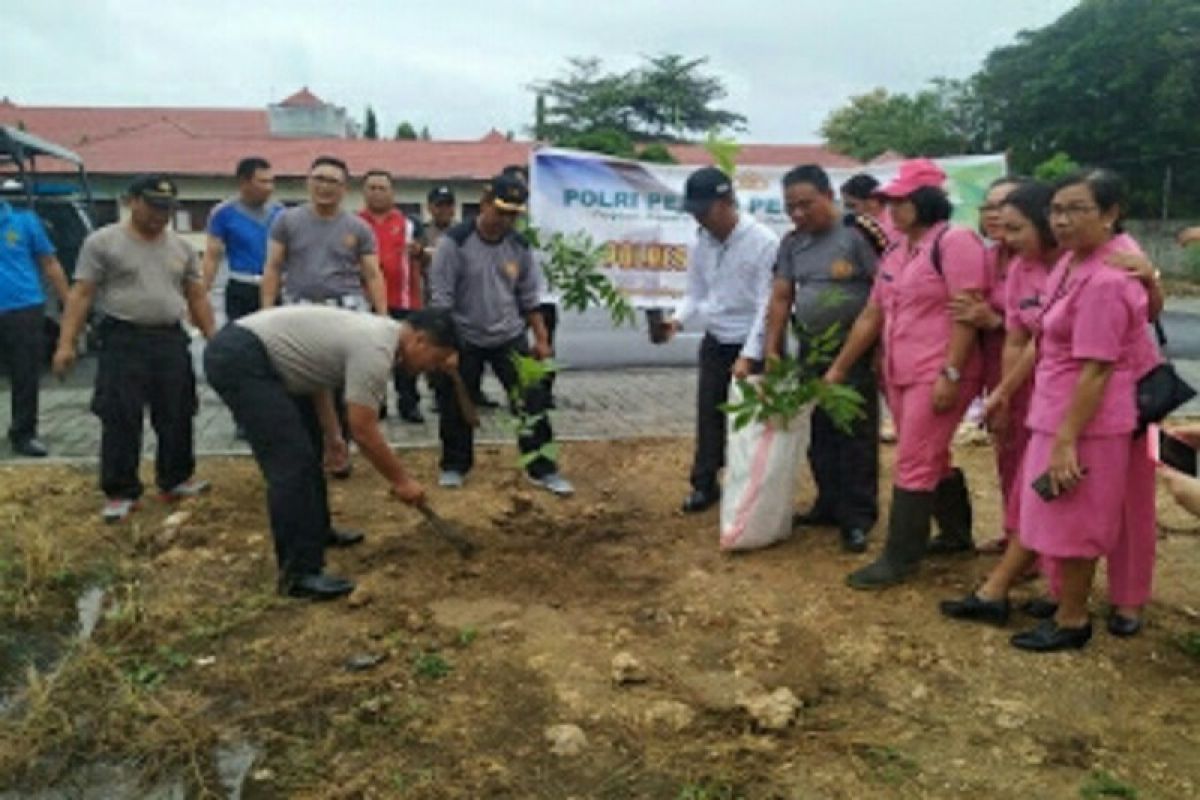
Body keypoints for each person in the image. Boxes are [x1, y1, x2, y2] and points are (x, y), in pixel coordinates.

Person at [947, 170, 1159, 652]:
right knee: (1052, 511)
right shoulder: (1069, 267)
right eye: (1057, 210)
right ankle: (1061, 602)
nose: (1062, 220)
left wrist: (1067, 439)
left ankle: (1073, 619)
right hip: (1054, 409)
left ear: (1109, 215)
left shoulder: (1107, 279)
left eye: (1076, 210)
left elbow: (1097, 370)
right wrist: (1004, 391)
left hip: (1088, 421)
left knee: (1080, 517)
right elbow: (1040, 339)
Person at [204, 305, 458, 600]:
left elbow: (315, 375)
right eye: (435, 359)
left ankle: (315, 531)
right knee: (292, 463)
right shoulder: (377, 348)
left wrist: (333, 435)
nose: (432, 368)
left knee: (309, 450)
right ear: (420, 341)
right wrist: (401, 481)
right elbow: (363, 429)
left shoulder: (380, 337)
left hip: (267, 359)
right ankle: (298, 575)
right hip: (243, 359)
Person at [824, 158, 987, 589]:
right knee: (932, 453)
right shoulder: (898, 249)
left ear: (927, 200)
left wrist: (951, 372)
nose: (891, 208)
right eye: (888, 200)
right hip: (899, 371)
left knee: (914, 459)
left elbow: (966, 314)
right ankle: (955, 535)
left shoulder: (956, 243)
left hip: (939, 369)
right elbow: (872, 313)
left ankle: (899, 558)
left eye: (901, 200)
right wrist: (839, 368)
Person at [53, 175, 216, 523]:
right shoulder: (103, 243)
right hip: (122, 340)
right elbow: (81, 294)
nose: (161, 215)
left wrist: (214, 337)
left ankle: (175, 479)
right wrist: (66, 343)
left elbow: (197, 296)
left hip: (170, 339)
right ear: (132, 202)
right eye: (154, 206)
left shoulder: (182, 247)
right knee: (120, 415)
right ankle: (120, 491)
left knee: (178, 411)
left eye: (167, 209)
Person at [748, 164, 884, 552]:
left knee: (853, 432)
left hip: (854, 348)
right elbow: (780, 297)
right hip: (811, 347)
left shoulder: (860, 234)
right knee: (819, 430)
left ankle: (857, 516)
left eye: (806, 205)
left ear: (829, 195)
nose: (798, 214)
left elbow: (885, 295)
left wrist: (876, 351)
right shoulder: (792, 242)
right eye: (790, 207)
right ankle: (828, 503)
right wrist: (772, 349)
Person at [429, 172, 573, 495]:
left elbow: (529, 298)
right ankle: (455, 465)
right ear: (483, 203)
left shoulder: (519, 246)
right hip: (464, 335)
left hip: (508, 335)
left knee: (531, 401)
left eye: (512, 214)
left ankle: (542, 468)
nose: (504, 220)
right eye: (500, 211)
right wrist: (445, 348)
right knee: (455, 404)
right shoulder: (454, 242)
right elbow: (441, 301)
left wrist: (542, 339)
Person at [659, 166, 779, 513]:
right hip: (716, 340)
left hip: (749, 343)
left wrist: (750, 353)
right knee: (709, 414)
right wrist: (677, 321)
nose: (699, 218)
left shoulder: (763, 242)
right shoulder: (702, 240)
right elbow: (696, 291)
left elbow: (766, 305)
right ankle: (704, 484)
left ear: (726, 202)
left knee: (750, 421)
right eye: (694, 211)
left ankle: (749, 488)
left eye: (704, 210)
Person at [261, 155, 386, 476]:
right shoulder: (287, 221)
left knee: (347, 387)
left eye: (333, 181)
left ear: (345, 188)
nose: (324, 187)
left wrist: (382, 316)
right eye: (319, 178)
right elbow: (273, 267)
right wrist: (266, 311)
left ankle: (341, 450)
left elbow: (372, 274)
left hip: (346, 310)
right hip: (299, 310)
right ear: (308, 181)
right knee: (303, 386)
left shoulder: (358, 227)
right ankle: (314, 452)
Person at [937, 176, 1029, 553]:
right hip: (994, 366)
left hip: (1029, 373)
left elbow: (1048, 325)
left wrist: (993, 320)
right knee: (1005, 451)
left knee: (1027, 456)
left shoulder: (1037, 262)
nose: (994, 215)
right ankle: (1015, 534)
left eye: (1004, 207)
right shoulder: (987, 257)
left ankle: (1030, 546)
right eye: (988, 207)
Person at [0, 198, 69, 457]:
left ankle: (24, 434)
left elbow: (50, 263)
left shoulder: (24, 221)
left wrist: (70, 305)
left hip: (23, 307)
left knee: (25, 374)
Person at [359, 169, 425, 423]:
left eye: (382, 188)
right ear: (363, 192)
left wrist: (421, 252)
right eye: (371, 188)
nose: (377, 193)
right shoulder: (355, 223)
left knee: (408, 356)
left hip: (405, 300)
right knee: (372, 357)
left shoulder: (411, 223)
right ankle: (377, 404)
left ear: (392, 192)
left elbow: (425, 257)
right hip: (367, 302)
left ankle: (409, 404)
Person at [200, 156, 282, 321]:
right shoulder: (223, 213)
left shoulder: (280, 213)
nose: (269, 188)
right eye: (263, 182)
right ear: (244, 182)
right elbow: (211, 257)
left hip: (274, 287)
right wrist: (201, 294)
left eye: (271, 182)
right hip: (241, 286)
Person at [840, 173, 898, 243]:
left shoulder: (898, 225)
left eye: (851, 205)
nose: (847, 210)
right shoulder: (855, 224)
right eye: (845, 206)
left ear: (873, 202)